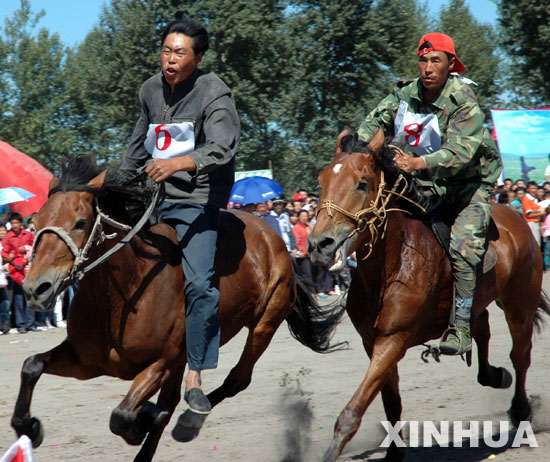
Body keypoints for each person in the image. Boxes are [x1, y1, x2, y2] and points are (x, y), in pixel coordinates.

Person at [120, 18, 240, 414]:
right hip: (153, 196)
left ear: (198, 57)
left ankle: (195, 373)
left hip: (198, 198)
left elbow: (223, 146)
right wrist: (111, 183)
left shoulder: (214, 92)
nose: (170, 59)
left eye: (180, 52)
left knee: (200, 285)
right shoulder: (150, 90)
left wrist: (178, 164)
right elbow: (137, 148)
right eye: (167, 50)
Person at [357, 32, 502, 356]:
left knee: (464, 249)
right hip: (422, 182)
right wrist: (352, 151)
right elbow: (371, 126)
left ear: (451, 64)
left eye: (435, 60)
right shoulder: (404, 94)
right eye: (422, 60)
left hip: (466, 185)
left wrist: (418, 162)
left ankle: (462, 327)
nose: (427, 67)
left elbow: (462, 151)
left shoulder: (463, 99)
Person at [1, 213, 36, 333]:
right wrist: (14, 254)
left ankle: (30, 323)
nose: (14, 225)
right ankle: (21, 324)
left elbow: (34, 247)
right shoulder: (8, 237)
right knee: (18, 298)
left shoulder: (28, 234)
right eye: (12, 223)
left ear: (21, 223)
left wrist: (27, 253)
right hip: (16, 271)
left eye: (16, 222)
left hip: (28, 269)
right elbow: (4, 253)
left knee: (30, 296)